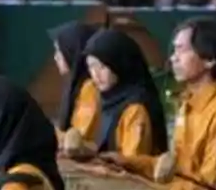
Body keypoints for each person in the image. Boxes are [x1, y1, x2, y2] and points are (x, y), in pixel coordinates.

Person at [107, 17, 216, 190]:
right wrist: (128, 163)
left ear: (209, 59)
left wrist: (143, 185)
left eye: (181, 50)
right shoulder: (187, 102)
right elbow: (178, 168)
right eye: (174, 50)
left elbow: (208, 189)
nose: (173, 58)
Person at [64, 28, 169, 158]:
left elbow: (132, 164)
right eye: (91, 66)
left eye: (102, 66)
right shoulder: (109, 99)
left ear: (119, 64)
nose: (95, 74)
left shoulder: (135, 109)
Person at [51, 21, 100, 139]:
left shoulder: (90, 88)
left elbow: (78, 139)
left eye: (59, 51)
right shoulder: (75, 83)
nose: (55, 57)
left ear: (72, 51)